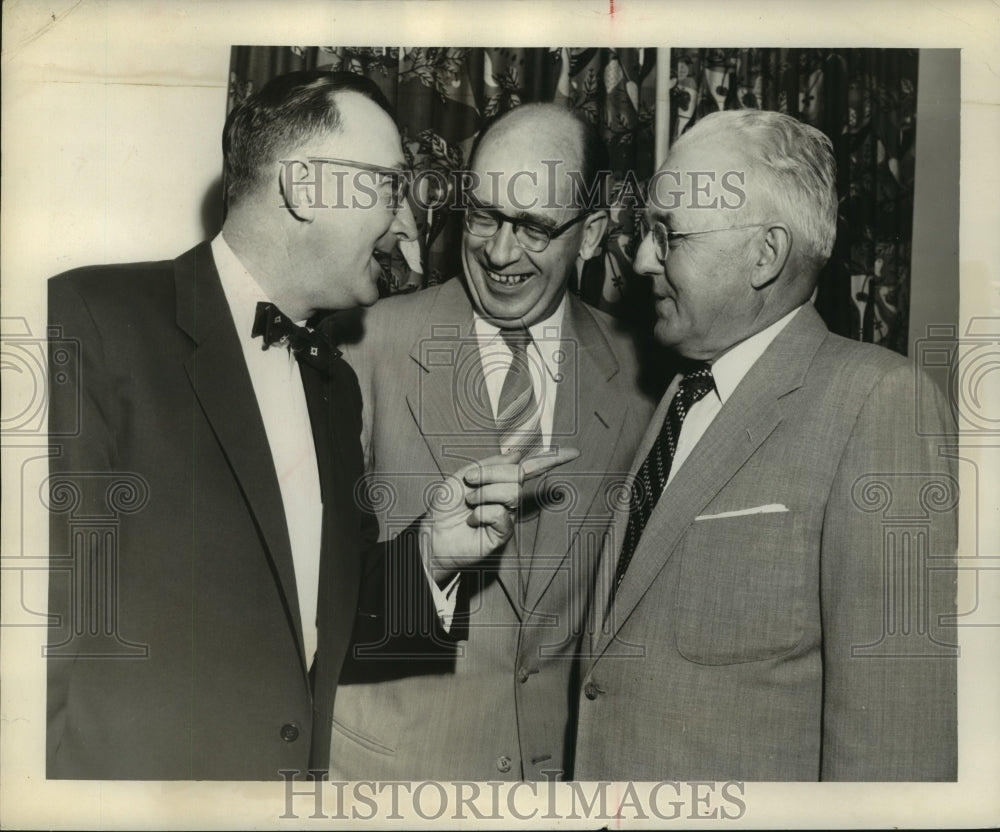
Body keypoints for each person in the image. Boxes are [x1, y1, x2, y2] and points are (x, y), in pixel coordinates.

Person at [45, 70, 570, 780]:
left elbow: (336, 630)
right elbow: (36, 648)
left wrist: (432, 558)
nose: (405, 224)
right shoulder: (90, 321)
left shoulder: (334, 384)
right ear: (301, 188)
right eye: (387, 188)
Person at [572, 109, 958, 781]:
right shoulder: (679, 393)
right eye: (645, 232)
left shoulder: (881, 404)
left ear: (764, 254)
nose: (640, 259)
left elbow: (897, 743)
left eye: (669, 235)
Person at [326, 103, 655, 781]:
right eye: (484, 215)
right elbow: (302, 604)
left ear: (591, 234)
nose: (501, 252)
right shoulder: (360, 345)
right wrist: (427, 563)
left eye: (535, 227)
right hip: (394, 785)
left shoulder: (647, 382)